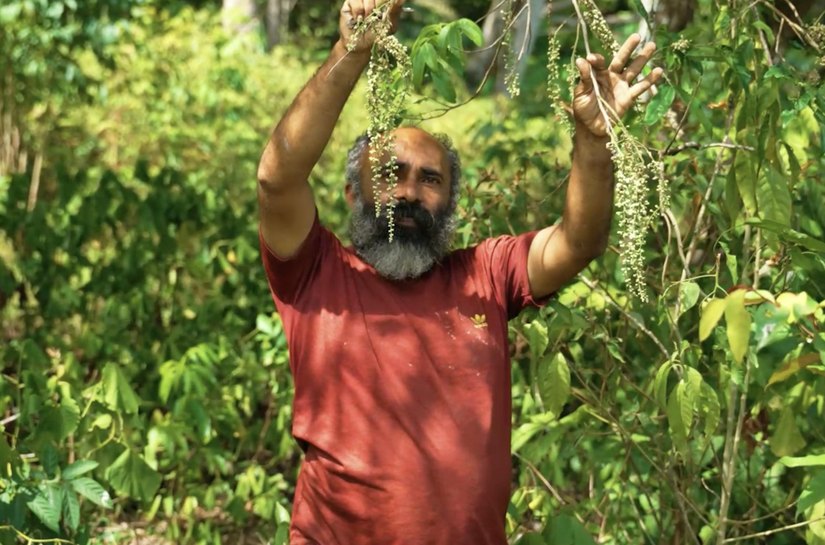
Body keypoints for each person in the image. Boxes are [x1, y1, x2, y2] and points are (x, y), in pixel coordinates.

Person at [256, 0, 663, 543]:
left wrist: (593, 143)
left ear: (450, 202)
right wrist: (354, 50)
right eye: (390, 173)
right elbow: (277, 178)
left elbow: (576, 243)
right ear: (354, 192)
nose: (408, 192)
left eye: (430, 180)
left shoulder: (486, 275)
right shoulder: (315, 273)